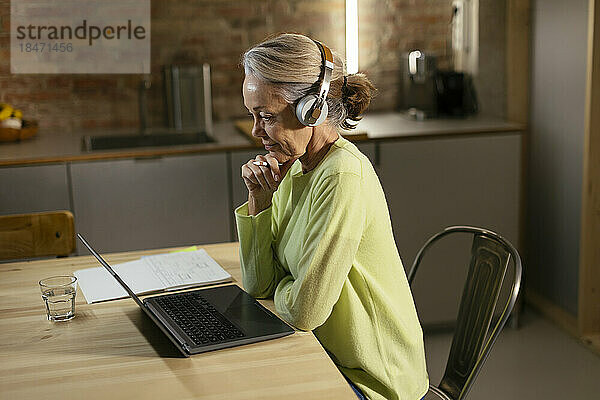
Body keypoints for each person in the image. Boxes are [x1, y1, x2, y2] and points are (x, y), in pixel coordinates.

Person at [235, 33, 428, 400]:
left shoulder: (342, 175)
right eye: (252, 116)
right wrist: (259, 202)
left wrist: (288, 288)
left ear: (313, 110)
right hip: (325, 357)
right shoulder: (292, 169)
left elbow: (305, 312)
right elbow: (259, 286)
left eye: (266, 117)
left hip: (371, 379)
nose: (256, 131)